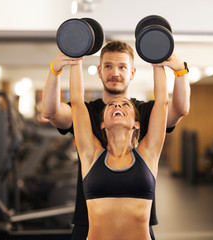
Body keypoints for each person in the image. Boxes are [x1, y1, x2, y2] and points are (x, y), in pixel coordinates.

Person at [41, 41, 190, 239]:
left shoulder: (147, 148)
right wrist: (71, 61)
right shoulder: (91, 151)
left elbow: (164, 103)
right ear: (101, 122)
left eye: (122, 67)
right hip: (88, 226)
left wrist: (163, 64)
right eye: (109, 66)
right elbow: (75, 103)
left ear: (137, 123)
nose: (115, 73)